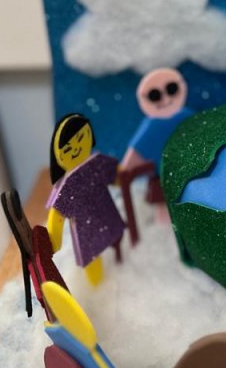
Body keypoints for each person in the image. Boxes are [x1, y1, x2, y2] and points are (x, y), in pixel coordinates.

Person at [46, 113, 125, 286]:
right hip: (85, 230)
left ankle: (120, 264)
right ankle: (99, 286)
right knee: (94, 262)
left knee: (117, 239)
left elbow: (118, 175)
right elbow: (57, 214)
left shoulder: (97, 162)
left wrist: (125, 179)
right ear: (59, 156)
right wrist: (54, 240)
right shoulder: (67, 185)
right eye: (68, 149)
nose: (76, 149)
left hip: (106, 212)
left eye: (81, 138)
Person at [120, 68, 193, 203]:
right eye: (155, 95)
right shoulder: (152, 125)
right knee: (165, 208)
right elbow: (131, 162)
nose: (166, 99)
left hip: (189, 177)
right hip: (164, 182)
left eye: (172, 89)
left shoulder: (187, 117)